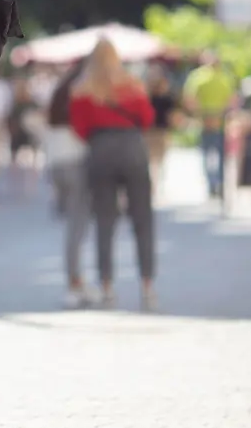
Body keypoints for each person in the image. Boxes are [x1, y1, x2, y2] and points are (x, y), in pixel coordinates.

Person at [70, 39, 156, 312]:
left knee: (105, 221)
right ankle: (146, 286)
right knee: (143, 219)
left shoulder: (83, 89)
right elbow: (147, 118)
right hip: (132, 148)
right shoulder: (133, 85)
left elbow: (79, 127)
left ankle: (107, 287)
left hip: (101, 149)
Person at [44, 67, 90, 309]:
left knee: (73, 228)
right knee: (77, 228)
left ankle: (76, 282)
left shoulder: (57, 96)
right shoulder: (79, 96)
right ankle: (74, 284)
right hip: (75, 162)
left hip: (56, 164)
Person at [183, 55, 235, 198]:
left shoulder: (198, 77)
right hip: (219, 120)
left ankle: (212, 183)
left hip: (205, 120)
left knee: (206, 154)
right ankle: (218, 182)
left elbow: (189, 99)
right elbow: (232, 101)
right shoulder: (225, 78)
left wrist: (198, 113)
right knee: (220, 155)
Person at [145, 65, 178, 202]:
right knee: (157, 162)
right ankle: (155, 187)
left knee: (153, 162)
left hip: (152, 132)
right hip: (157, 132)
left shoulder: (153, 98)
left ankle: (154, 187)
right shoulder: (163, 99)